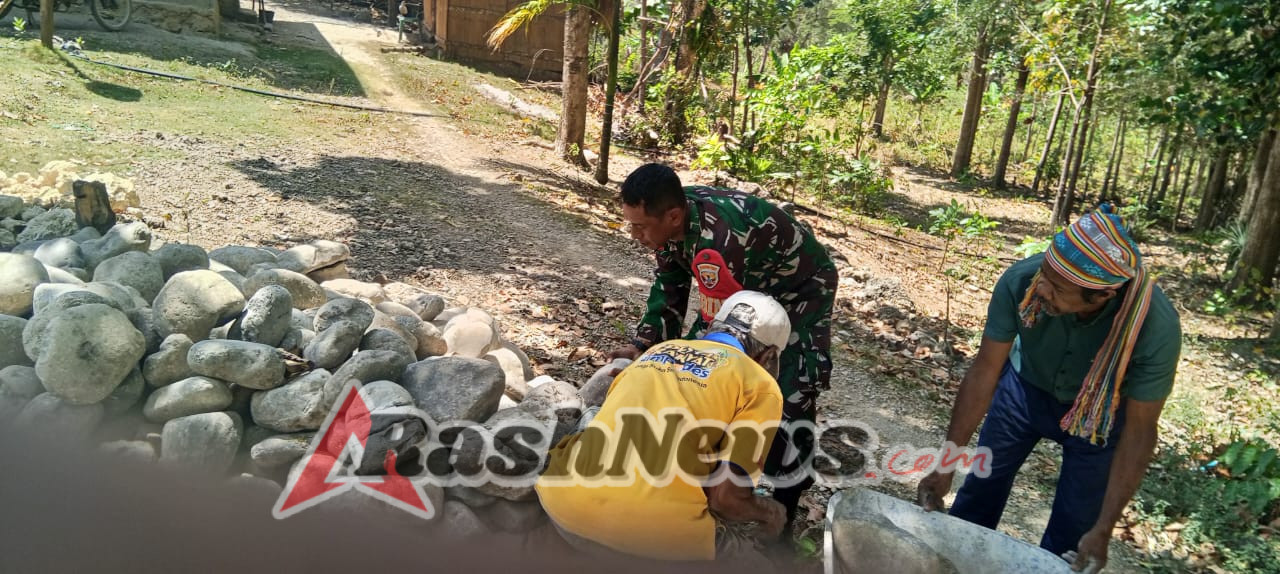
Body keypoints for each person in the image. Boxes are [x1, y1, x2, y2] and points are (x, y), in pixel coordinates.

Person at [915, 206, 1182, 573]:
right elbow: (985, 370)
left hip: (1099, 417)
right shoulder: (1021, 280)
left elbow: (1139, 431)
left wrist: (1104, 528)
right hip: (1023, 390)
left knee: (1073, 534)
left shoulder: (1155, 328)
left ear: (1102, 296)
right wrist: (945, 465)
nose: (1041, 289)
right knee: (981, 490)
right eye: (1045, 275)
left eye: (1057, 288)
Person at [606, 163, 839, 526]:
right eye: (631, 224)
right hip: (750, 281)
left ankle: (784, 506)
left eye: (640, 227)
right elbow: (670, 281)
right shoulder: (670, 222)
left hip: (800, 290)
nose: (634, 235)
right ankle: (712, 480)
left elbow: (719, 334)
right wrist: (646, 344)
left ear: (673, 216)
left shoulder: (722, 237)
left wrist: (676, 366)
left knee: (790, 389)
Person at [537, 291, 792, 563]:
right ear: (769, 356)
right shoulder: (761, 385)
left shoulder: (657, 351)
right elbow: (726, 499)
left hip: (562, 509)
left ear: (712, 327)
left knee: (593, 416)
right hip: (655, 540)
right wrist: (771, 513)